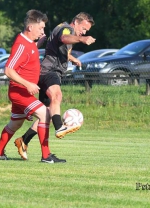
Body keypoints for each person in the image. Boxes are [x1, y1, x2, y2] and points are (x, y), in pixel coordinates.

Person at [14, 12, 96, 160]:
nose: (84, 32)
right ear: (76, 22)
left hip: (47, 72)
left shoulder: (62, 28)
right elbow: (64, 38)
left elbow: (56, 47)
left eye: (86, 32)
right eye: (83, 29)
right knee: (57, 95)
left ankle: (25, 141)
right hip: (49, 71)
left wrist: (72, 58)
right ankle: (60, 127)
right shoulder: (66, 29)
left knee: (46, 116)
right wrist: (82, 39)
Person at [0, 9, 66, 163]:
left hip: (24, 92)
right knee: (45, 114)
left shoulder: (30, 43)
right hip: (20, 92)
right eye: (41, 28)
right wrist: (28, 84)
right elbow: (8, 69)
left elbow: (26, 61)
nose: (43, 31)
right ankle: (46, 156)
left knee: (15, 124)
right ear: (30, 27)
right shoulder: (21, 45)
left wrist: (39, 43)